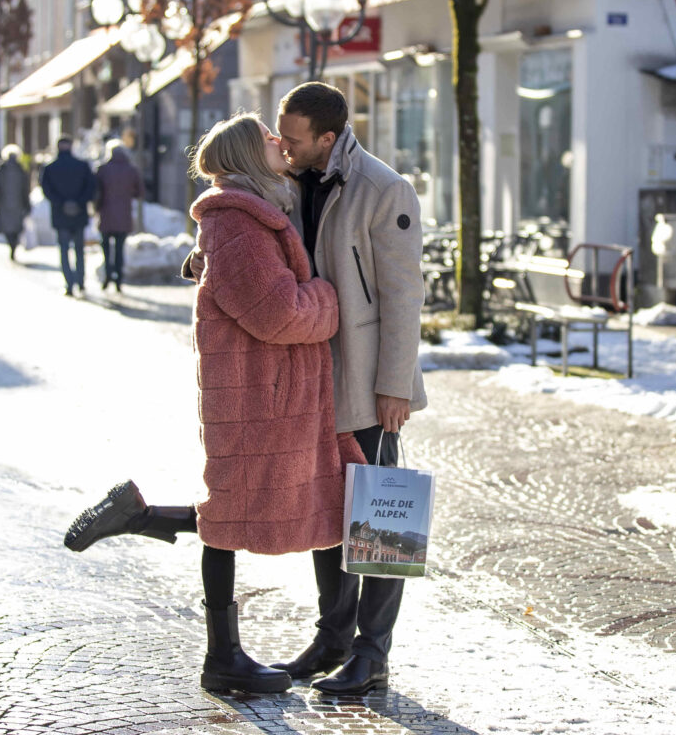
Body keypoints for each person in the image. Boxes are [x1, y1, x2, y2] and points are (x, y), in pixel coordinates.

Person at [63, 113, 356, 694]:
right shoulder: (239, 225)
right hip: (261, 396)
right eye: (268, 137)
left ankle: (327, 641)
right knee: (233, 515)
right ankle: (229, 654)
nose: (279, 141)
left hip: (272, 392)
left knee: (282, 506)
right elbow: (281, 313)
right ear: (249, 155)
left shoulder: (248, 216)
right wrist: (328, 298)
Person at [269, 81, 427, 696]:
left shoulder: (384, 191)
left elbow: (404, 297)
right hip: (312, 379)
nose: (282, 143)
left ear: (328, 140)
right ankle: (332, 638)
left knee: (382, 512)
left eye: (294, 136)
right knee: (327, 512)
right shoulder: (286, 182)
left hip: (366, 380)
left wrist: (394, 386)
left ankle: (371, 652)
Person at [39, 137, 96, 295]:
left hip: (60, 214)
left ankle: (69, 282)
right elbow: (91, 188)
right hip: (79, 213)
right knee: (79, 249)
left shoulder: (50, 167)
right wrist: (78, 202)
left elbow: (46, 190)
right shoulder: (82, 166)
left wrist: (62, 203)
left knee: (64, 249)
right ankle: (80, 280)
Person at [95, 140, 144, 291]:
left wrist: (96, 207)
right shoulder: (131, 169)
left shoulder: (102, 169)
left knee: (106, 248)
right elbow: (140, 192)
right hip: (124, 216)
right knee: (119, 249)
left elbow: (96, 192)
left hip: (105, 215)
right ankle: (118, 279)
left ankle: (108, 274)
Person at [0, 145, 31, 261]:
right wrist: (26, 203)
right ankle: (13, 245)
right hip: (18, 203)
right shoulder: (20, 169)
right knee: (16, 227)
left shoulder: (1, 169)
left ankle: (11, 244)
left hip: (4, 203)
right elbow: (25, 189)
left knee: (7, 226)